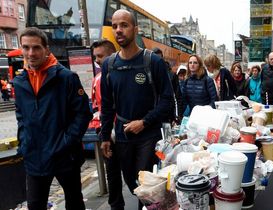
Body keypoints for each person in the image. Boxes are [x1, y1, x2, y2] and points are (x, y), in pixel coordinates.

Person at [100, 9, 174, 209]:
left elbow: (167, 100)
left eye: (124, 25)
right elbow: (106, 105)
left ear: (135, 29)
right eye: (115, 26)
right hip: (123, 136)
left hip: (149, 135)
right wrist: (105, 136)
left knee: (147, 186)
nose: (118, 30)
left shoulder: (153, 62)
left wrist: (144, 122)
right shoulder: (109, 65)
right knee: (132, 182)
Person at [14, 27, 92, 210]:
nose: (30, 53)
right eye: (26, 47)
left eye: (36, 48)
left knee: (74, 202)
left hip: (64, 156)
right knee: (35, 205)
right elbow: (21, 117)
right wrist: (24, 142)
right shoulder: (19, 82)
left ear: (46, 49)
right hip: (35, 157)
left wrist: (66, 141)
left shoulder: (66, 78)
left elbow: (83, 114)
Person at [90, 39, 127, 210]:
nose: (97, 60)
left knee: (130, 172)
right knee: (112, 173)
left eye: (100, 56)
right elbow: (98, 107)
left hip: (125, 131)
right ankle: (116, 206)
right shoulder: (97, 79)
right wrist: (104, 131)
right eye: (95, 57)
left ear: (111, 54)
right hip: (108, 132)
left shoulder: (123, 75)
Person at [152, 47, 183, 122]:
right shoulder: (149, 74)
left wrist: (177, 116)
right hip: (152, 116)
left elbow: (177, 97)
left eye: (158, 58)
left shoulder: (172, 75)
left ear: (162, 58)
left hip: (168, 115)